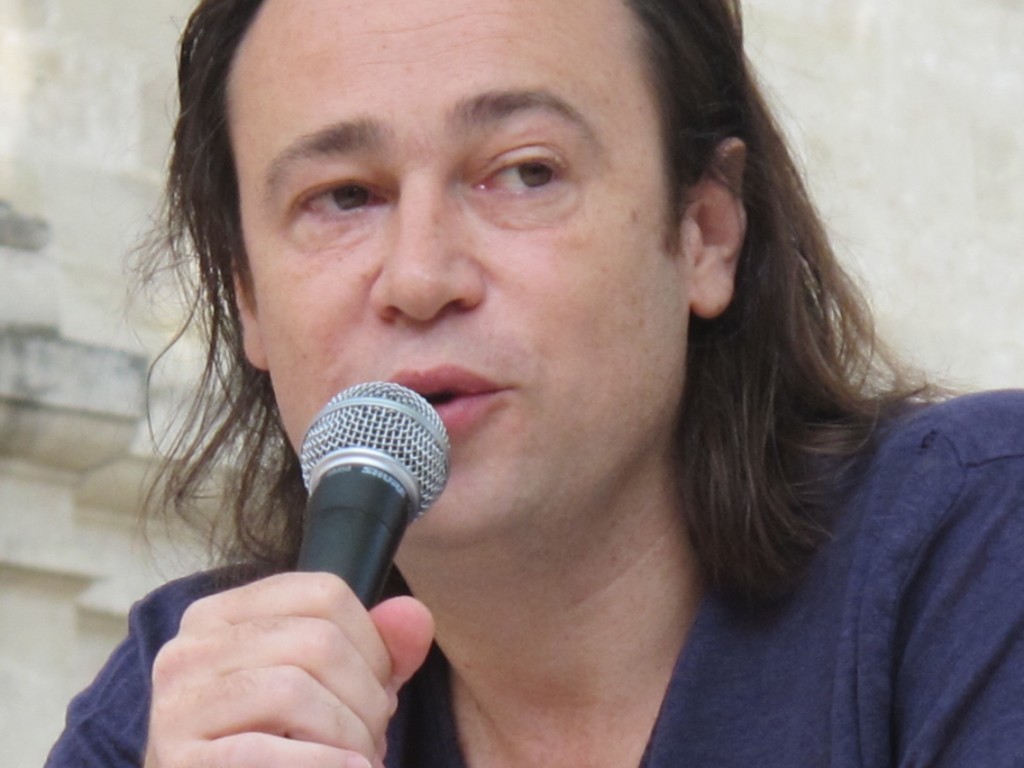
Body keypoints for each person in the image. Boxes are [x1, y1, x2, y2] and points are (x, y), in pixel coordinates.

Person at [46, 0, 1024, 765]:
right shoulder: (194, 705)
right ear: (249, 298)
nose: (420, 277)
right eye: (343, 197)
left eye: (523, 173)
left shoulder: (973, 550)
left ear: (706, 232)